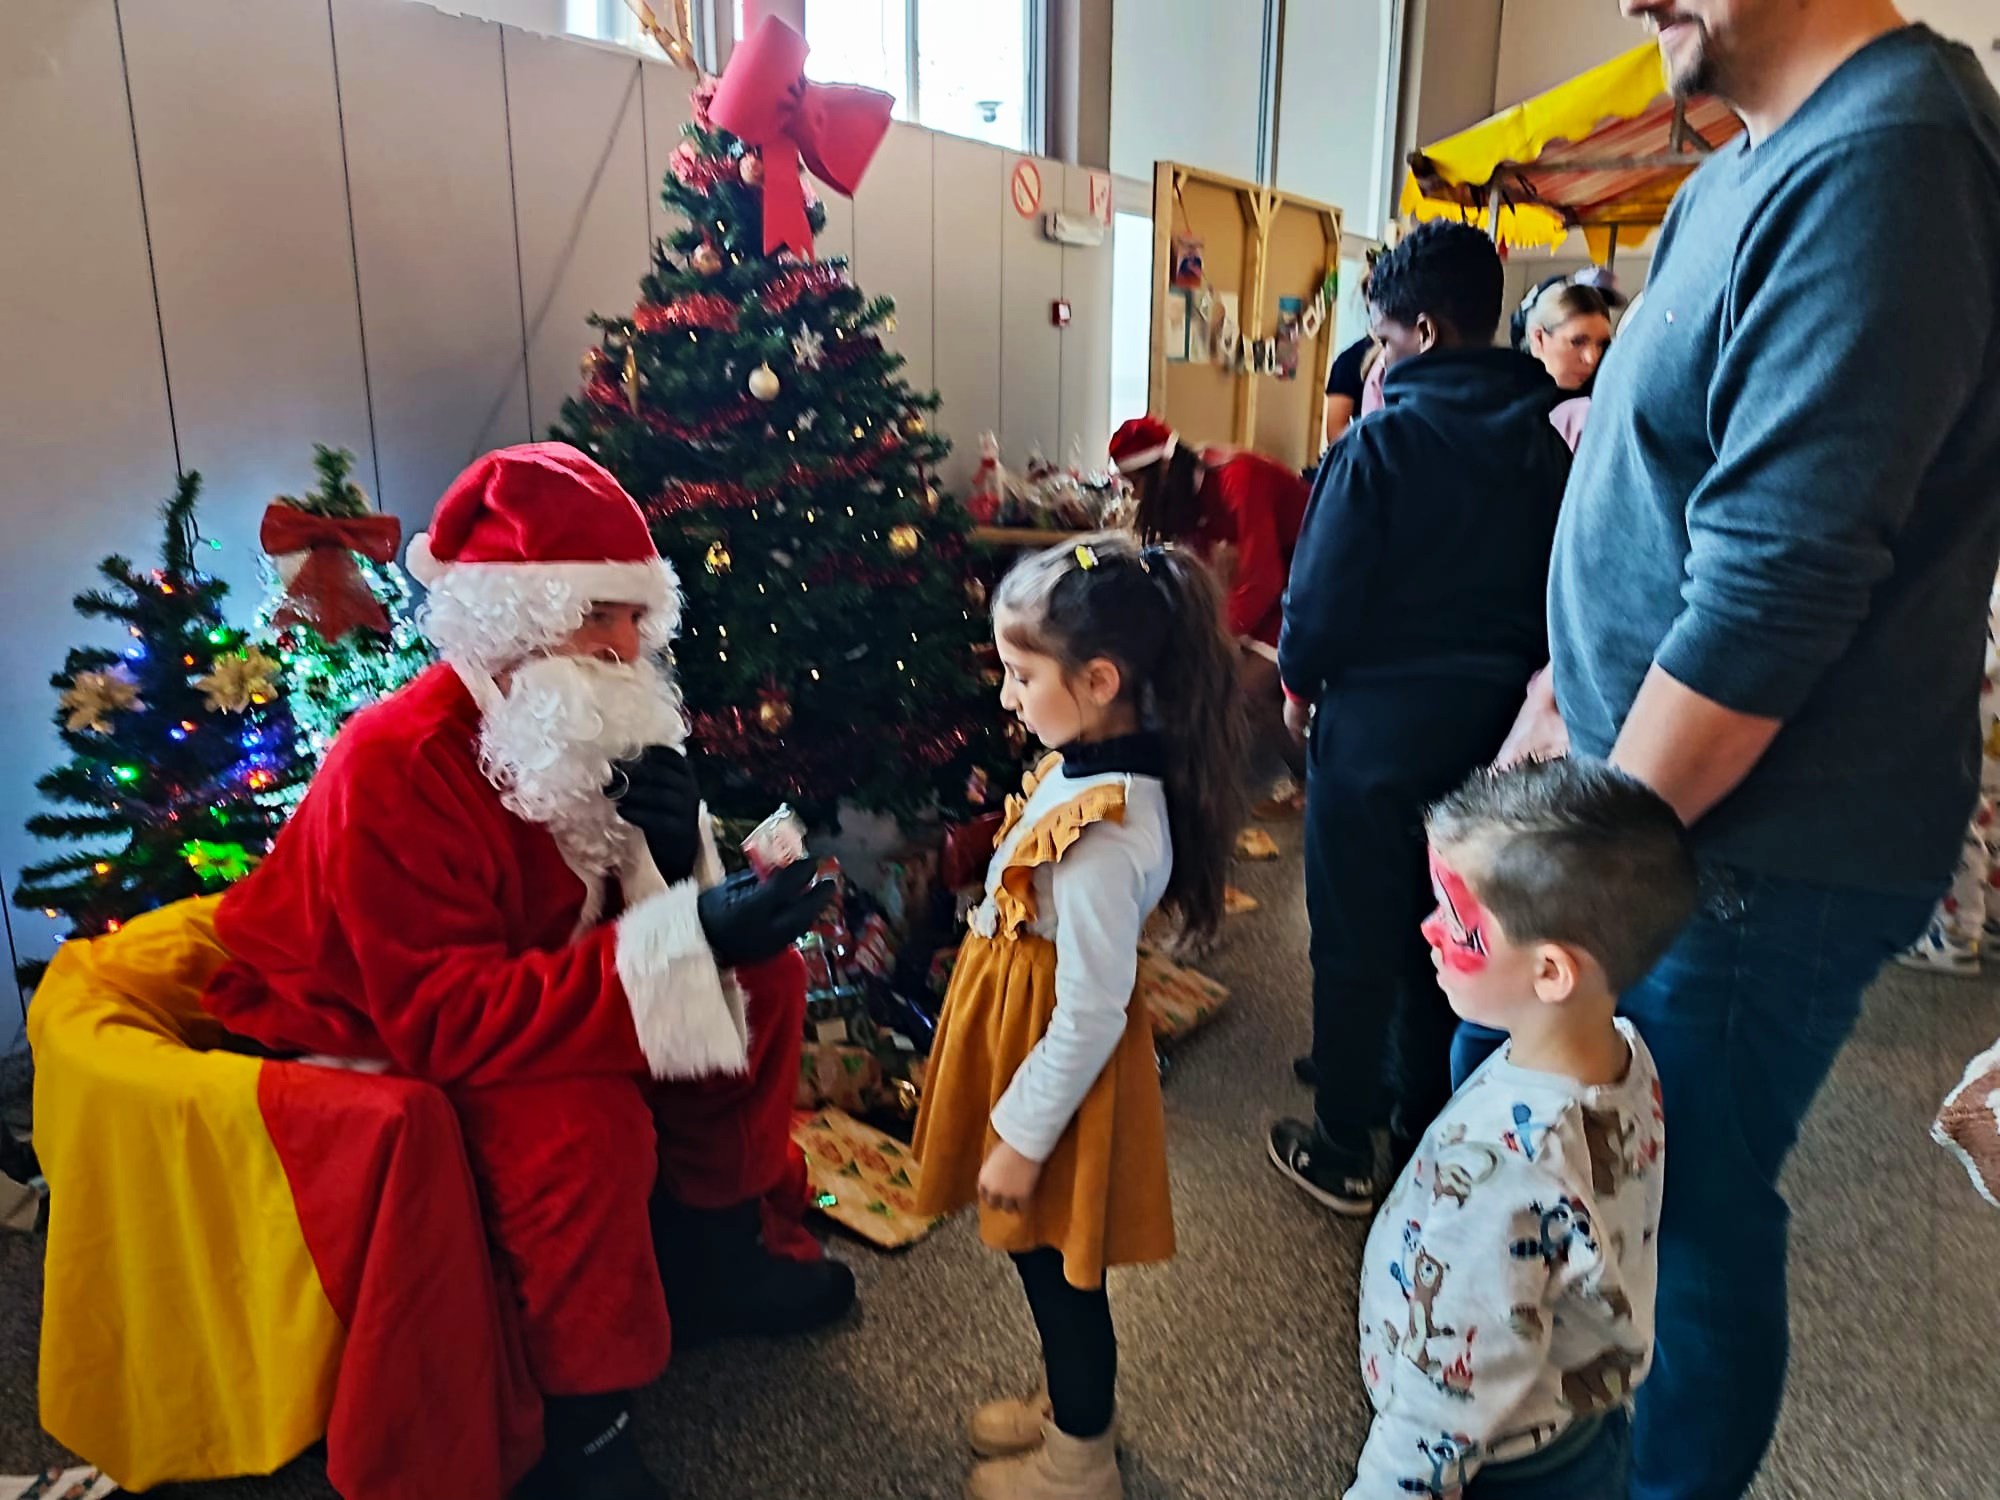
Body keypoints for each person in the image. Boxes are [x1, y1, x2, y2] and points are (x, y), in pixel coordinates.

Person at [1489, 5, 2000, 1497]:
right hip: (1650, 801)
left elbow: (1776, 594)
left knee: (1681, 1213)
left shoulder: (1892, 157)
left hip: (1752, 851)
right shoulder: (1749, 161)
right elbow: (1683, 485)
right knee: (1604, 1182)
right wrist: (1555, 698)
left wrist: (1579, 855)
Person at [201, 443, 852, 1499]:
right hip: (358, 1021)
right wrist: (686, 939)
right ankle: (579, 1424)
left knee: (766, 982)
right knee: (576, 1118)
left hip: (516, 978)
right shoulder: (400, 760)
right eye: (600, 615)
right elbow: (444, 1020)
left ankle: (717, 1256)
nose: (627, 646)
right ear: (511, 617)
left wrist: (684, 851)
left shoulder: (573, 713)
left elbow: (609, 911)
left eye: (636, 616)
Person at [912, 533, 1244, 1500]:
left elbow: (1092, 1011)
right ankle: (1070, 1407)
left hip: (1054, 1069)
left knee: (1064, 1275)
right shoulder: (1080, 762)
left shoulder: (1104, 832)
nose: (1007, 695)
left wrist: (1019, 1133)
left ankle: (1081, 1458)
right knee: (1039, 1265)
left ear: (1099, 679)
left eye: (1021, 674)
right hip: (1027, 1041)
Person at [1268, 220, 1573, 1216]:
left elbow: (1317, 600)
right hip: (1497, 734)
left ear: (1427, 334)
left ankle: (1342, 1144)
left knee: (1354, 927)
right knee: (1451, 924)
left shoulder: (1380, 443)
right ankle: (1421, 1117)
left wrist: (1298, 685)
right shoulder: (1547, 448)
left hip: (1376, 730)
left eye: (1385, 345)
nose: (1378, 364)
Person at [1345, 757, 1695, 1500]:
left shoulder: (1506, 1171)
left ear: (1550, 974)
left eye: (1457, 917)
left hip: (1501, 1469)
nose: (1430, 929)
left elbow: (1447, 1397)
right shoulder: (1621, 1051)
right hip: (1577, 1429)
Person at [1108, 416, 1310, 804]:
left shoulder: (1238, 478)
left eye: (1136, 486)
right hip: (1271, 586)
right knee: (1252, 695)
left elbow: (1262, 578)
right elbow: (1205, 579)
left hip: (1303, 585)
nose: (1134, 499)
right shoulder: (1185, 497)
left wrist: (1213, 640)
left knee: (1243, 690)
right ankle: (1306, 780)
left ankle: (1218, 796)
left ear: (1163, 468)